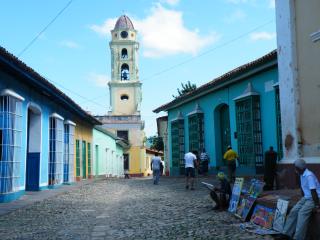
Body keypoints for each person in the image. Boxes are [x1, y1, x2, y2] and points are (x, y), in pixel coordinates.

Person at [276, 159, 320, 240]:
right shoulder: (301, 174)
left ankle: (298, 238)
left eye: (295, 168)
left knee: (302, 213)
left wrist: (317, 206)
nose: (294, 170)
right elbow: (303, 189)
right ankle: (286, 234)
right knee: (294, 211)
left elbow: (313, 192)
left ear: (299, 168)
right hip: (307, 197)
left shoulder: (309, 175)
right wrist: (302, 199)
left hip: (314, 198)